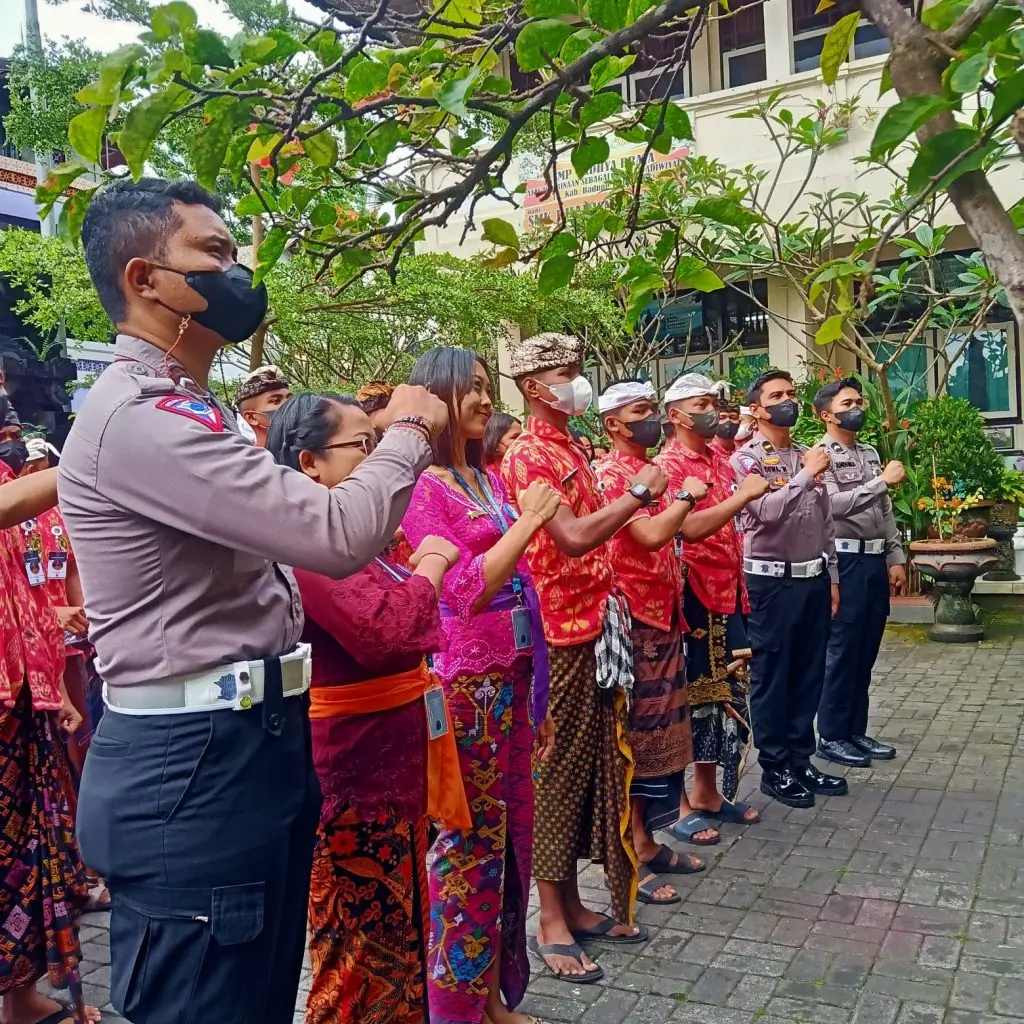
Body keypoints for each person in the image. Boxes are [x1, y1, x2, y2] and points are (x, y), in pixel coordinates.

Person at [59, 177, 448, 1024]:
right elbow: (340, 534)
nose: (236, 273)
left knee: (255, 998)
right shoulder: (144, 417)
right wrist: (409, 431)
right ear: (144, 279)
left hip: (244, 743)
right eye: (212, 254)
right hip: (191, 762)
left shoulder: (189, 410)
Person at [264, 392, 468, 1024]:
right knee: (356, 947)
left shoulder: (366, 537)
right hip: (350, 776)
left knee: (402, 930)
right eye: (364, 445)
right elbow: (384, 633)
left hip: (395, 763)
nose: (378, 459)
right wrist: (431, 568)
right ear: (310, 463)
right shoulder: (307, 541)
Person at [501, 332, 665, 983]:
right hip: (559, 637)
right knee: (557, 774)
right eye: (565, 373)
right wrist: (639, 498)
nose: (578, 381)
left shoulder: (572, 446)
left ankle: (571, 900)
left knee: (596, 767)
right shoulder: (529, 457)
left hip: (599, 626)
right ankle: (549, 920)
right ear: (535, 387)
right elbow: (568, 539)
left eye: (577, 370)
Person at [403, 348, 561, 1024]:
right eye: (467, 386)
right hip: (465, 692)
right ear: (434, 397)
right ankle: (455, 1012)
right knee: (464, 854)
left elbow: (521, 590)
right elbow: (464, 591)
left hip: (514, 684)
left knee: (507, 848)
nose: (481, 395)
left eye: (484, 384)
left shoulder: (488, 481)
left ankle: (491, 996)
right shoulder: (419, 487)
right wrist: (529, 523)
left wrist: (541, 696)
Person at [0, 398, 99, 1024]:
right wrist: (113, 449)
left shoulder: (13, 486)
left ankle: (20, 997)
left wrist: (53, 690)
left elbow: (25, 603)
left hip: (18, 701)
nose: (10, 427)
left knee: (24, 855)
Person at [594, 381, 710, 904]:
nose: (651, 418)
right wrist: (685, 496)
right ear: (614, 424)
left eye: (651, 408)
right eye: (639, 412)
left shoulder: (652, 470)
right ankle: (636, 845)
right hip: (634, 618)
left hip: (663, 615)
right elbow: (648, 536)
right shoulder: (613, 474)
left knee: (665, 736)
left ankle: (651, 837)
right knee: (637, 739)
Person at [658, 373, 770, 830]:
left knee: (724, 696)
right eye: (701, 403)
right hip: (691, 595)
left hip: (728, 591)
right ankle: (682, 805)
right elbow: (690, 528)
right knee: (691, 700)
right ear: (676, 415)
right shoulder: (669, 466)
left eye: (714, 403)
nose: (712, 412)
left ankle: (707, 793)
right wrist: (743, 497)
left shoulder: (720, 462)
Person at [731, 369, 844, 810]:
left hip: (812, 579)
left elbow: (825, 522)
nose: (788, 401)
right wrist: (804, 477)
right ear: (756, 409)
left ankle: (801, 758)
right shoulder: (745, 461)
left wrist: (832, 576)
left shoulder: (806, 453)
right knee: (773, 677)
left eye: (791, 393)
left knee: (809, 672)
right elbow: (762, 515)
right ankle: (775, 766)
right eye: (776, 396)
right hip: (769, 583)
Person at [813, 378, 905, 767]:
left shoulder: (867, 451)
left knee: (866, 648)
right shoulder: (820, 454)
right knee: (842, 650)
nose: (858, 407)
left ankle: (855, 730)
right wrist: (880, 481)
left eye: (859, 400)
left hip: (873, 560)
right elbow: (832, 506)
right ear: (826, 414)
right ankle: (831, 736)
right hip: (844, 561)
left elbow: (884, 511)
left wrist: (895, 555)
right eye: (848, 402)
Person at [235, 364, 291, 447]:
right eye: (276, 401)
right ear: (252, 417)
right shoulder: (245, 458)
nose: (289, 405)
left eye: (290, 399)